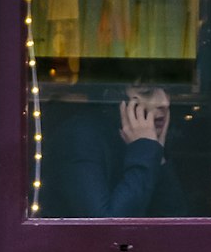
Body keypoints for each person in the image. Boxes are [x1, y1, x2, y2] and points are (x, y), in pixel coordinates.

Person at [45, 83, 187, 217]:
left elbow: (176, 223)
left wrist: (156, 154)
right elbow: (108, 226)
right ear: (114, 97)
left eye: (167, 90)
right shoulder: (80, 138)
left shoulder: (149, 142)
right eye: (147, 91)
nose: (164, 102)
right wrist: (146, 151)